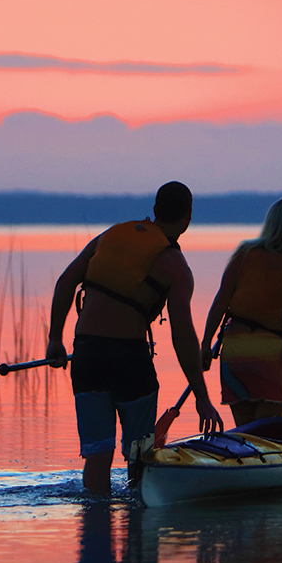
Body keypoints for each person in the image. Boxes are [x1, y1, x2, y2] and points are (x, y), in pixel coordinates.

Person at [47, 181, 222, 495]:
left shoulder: (111, 235)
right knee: (139, 458)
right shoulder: (177, 267)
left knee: (98, 456)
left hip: (86, 355)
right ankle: (137, 529)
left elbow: (65, 283)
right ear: (188, 218)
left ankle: (95, 529)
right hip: (130, 361)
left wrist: (55, 340)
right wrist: (202, 397)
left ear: (154, 211)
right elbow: (183, 336)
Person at [199, 196, 282, 427]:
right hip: (270, 359)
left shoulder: (243, 254)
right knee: (267, 434)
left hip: (234, 354)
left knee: (244, 433)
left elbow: (220, 302)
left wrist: (205, 344)